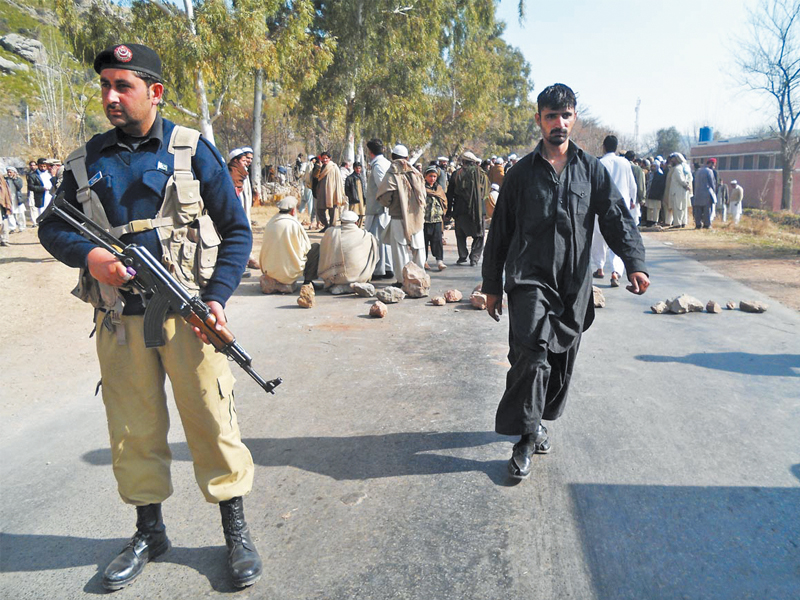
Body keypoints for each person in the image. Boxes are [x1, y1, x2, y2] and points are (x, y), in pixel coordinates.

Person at [37, 43, 262, 590]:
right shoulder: (87, 159)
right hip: (120, 322)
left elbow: (236, 231)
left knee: (212, 420)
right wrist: (92, 256)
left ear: (154, 92)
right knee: (133, 428)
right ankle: (149, 531)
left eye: (124, 86)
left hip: (188, 317)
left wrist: (217, 298)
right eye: (106, 87)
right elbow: (52, 226)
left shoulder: (192, 150)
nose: (111, 97)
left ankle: (234, 531)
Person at [481, 83, 649, 480]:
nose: (559, 123)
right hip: (528, 281)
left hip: (573, 286)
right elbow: (501, 232)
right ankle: (524, 437)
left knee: (559, 361)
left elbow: (616, 218)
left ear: (574, 118)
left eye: (566, 115)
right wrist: (491, 285)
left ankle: (538, 419)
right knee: (533, 354)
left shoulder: (591, 171)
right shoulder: (521, 174)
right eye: (551, 115)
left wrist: (634, 262)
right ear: (539, 119)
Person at [592, 135, 638, 286]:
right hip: (621, 205)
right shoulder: (625, 163)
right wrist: (632, 200)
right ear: (616, 147)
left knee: (599, 237)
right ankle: (616, 272)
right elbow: (633, 185)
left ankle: (599, 268)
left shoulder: (600, 163)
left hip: (601, 206)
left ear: (603, 147)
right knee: (619, 237)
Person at [377, 144, 427, 280]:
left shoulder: (391, 173)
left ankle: (402, 280)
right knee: (418, 248)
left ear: (392, 157)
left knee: (399, 249)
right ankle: (420, 277)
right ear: (407, 157)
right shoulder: (416, 173)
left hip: (397, 217)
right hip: (416, 216)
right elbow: (423, 195)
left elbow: (385, 197)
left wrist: (392, 204)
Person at [308, 209, 379, 289]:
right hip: (360, 277)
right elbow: (376, 257)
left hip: (336, 278)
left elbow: (324, 252)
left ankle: (307, 281)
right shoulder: (367, 236)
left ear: (341, 222)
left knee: (314, 247)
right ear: (356, 222)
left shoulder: (331, 232)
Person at [259, 195, 314, 290]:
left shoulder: (271, 222)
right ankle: (308, 282)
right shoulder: (293, 223)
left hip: (270, 271)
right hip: (289, 273)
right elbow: (306, 248)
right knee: (315, 249)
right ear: (293, 211)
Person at [447, 151, 490, 266]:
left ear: (463, 161)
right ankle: (474, 258)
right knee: (479, 235)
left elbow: (450, 194)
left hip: (460, 210)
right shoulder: (483, 174)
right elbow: (485, 193)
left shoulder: (456, 174)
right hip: (479, 210)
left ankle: (462, 256)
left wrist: (448, 211)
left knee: (460, 234)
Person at [364, 138, 394, 279]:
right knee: (384, 240)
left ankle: (379, 270)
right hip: (382, 208)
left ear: (370, 152)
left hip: (378, 209)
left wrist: (384, 205)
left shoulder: (378, 166)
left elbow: (383, 187)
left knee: (376, 240)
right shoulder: (385, 163)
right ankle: (387, 267)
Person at [422, 165, 447, 271]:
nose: (432, 178)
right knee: (423, 242)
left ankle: (439, 261)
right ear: (425, 177)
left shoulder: (439, 188)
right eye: (430, 176)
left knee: (437, 241)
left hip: (436, 219)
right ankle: (423, 261)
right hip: (425, 220)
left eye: (434, 176)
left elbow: (444, 201)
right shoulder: (421, 188)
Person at [314, 151, 346, 232]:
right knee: (319, 210)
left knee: (333, 210)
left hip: (332, 191)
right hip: (321, 191)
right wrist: (318, 168)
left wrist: (339, 192)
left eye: (326, 158)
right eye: (323, 158)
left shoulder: (334, 167)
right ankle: (326, 225)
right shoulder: (319, 167)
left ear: (329, 158)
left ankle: (332, 227)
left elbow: (339, 180)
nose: (324, 160)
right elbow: (315, 177)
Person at [666, 152, 692, 228]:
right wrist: (687, 185)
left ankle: (677, 223)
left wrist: (686, 185)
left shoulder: (678, 168)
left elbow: (680, 180)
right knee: (683, 207)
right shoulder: (685, 168)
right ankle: (683, 222)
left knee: (677, 207)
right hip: (683, 191)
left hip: (677, 191)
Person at [692, 158, 717, 229]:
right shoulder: (709, 171)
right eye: (714, 165)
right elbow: (712, 183)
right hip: (706, 193)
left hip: (697, 193)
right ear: (711, 163)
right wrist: (714, 192)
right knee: (707, 210)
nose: (714, 167)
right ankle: (707, 224)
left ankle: (698, 224)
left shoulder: (698, 171)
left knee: (698, 211)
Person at [344, 161, 367, 227]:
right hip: (354, 201)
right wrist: (352, 197)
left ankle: (359, 229)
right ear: (354, 168)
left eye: (359, 168)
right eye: (357, 168)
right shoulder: (349, 178)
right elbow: (347, 190)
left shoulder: (362, 178)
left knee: (361, 215)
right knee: (353, 215)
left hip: (362, 200)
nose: (358, 170)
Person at [5, 166, 26, 231]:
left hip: (17, 198)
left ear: (14, 172)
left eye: (10, 172)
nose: (9, 174)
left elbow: (19, 187)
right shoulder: (6, 180)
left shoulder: (18, 179)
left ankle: (22, 227)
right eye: (8, 172)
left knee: (20, 213)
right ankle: (12, 227)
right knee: (10, 213)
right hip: (9, 198)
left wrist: (14, 179)